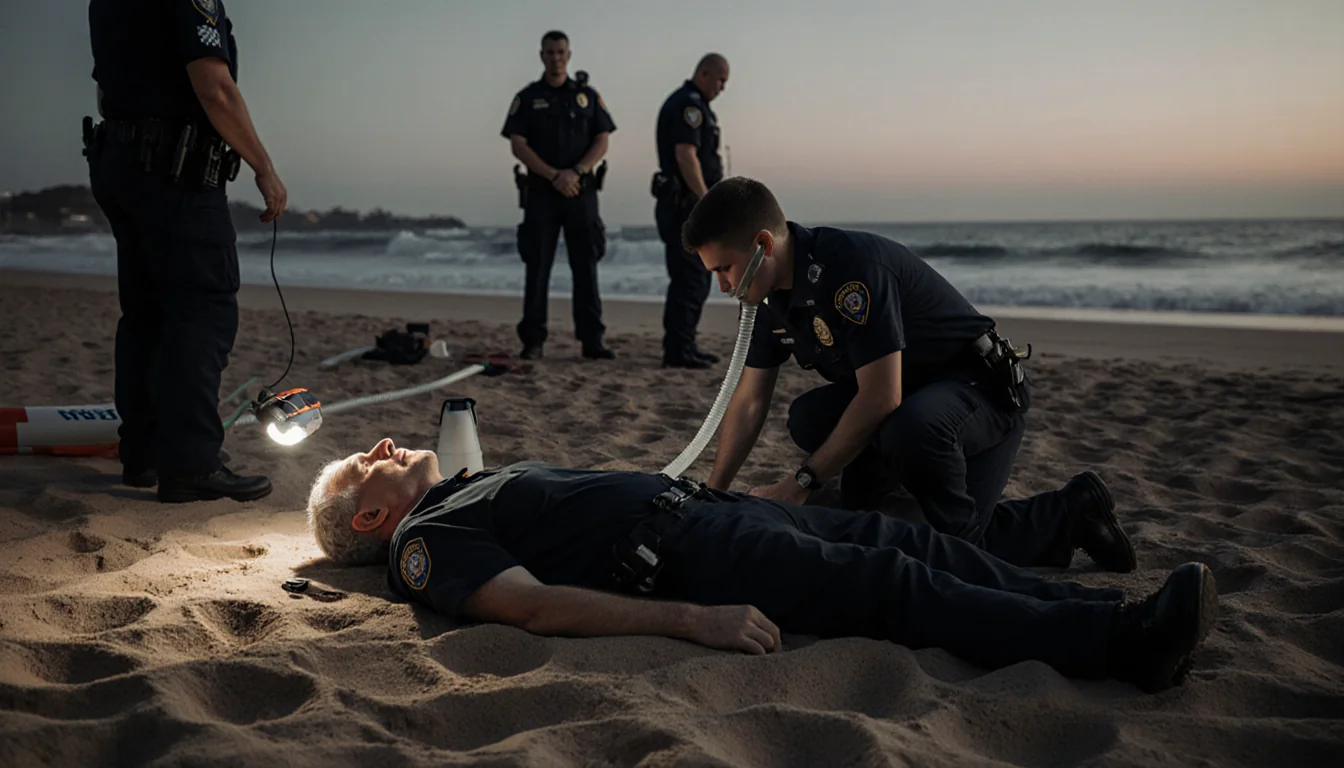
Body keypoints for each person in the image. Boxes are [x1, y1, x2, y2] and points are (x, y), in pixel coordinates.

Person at [305, 438, 1219, 694]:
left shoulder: (464, 489)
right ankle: (1120, 643)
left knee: (914, 544)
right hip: (685, 557)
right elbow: (533, 610)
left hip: (707, 512)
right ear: (376, 517)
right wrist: (690, 620)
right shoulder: (425, 547)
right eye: (364, 463)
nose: (381, 445)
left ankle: (1089, 609)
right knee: (890, 589)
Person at [680, 177, 1137, 573]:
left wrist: (801, 482)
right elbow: (750, 399)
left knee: (950, 548)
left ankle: (1071, 510)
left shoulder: (848, 271)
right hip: (914, 397)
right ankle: (897, 506)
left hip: (978, 389)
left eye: (724, 269)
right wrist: (715, 495)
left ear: (763, 245)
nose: (722, 286)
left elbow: (881, 398)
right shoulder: (766, 294)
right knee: (808, 417)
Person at [86, 0, 286, 503]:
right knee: (203, 311)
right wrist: (262, 166)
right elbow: (213, 86)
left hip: (121, 160)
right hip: (173, 170)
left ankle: (145, 455)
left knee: (146, 313)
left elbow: (106, 91)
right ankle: (192, 464)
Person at [502, 30, 617, 362]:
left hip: (581, 192)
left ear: (569, 55)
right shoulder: (527, 98)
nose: (556, 58)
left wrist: (576, 172)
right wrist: (554, 176)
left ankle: (592, 341)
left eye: (561, 52)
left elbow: (602, 139)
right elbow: (517, 144)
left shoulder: (587, 96)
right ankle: (533, 341)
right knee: (538, 268)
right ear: (541, 56)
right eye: (550, 52)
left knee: (586, 267)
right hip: (542, 193)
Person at [653, 54, 731, 369]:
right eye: (720, 80)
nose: (723, 88)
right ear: (704, 73)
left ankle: (685, 343)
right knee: (690, 278)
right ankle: (678, 350)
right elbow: (686, 155)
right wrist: (705, 200)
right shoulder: (689, 105)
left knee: (696, 277)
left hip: (688, 205)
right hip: (685, 206)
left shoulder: (698, 105)